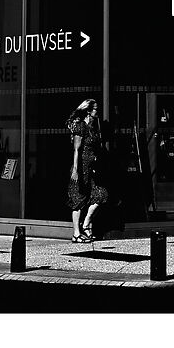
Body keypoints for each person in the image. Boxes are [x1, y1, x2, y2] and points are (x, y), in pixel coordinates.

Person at [67, 99, 109, 242]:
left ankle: (85, 224)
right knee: (78, 199)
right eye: (95, 109)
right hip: (81, 167)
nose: (98, 111)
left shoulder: (92, 128)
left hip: (91, 168)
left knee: (100, 195)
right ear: (88, 111)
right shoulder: (81, 127)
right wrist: (75, 170)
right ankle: (76, 234)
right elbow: (76, 149)